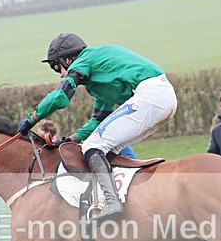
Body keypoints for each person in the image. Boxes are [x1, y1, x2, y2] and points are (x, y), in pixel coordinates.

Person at [18, 33, 177, 221]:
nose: (61, 74)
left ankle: (112, 201)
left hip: (151, 97)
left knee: (93, 146)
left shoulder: (84, 60)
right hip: (161, 97)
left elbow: (60, 96)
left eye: (58, 67)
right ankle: (130, 198)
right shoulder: (99, 78)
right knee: (105, 147)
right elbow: (98, 120)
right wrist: (70, 141)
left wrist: (32, 119)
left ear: (67, 59)